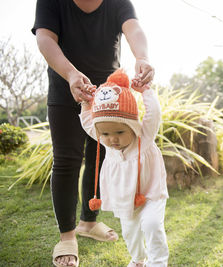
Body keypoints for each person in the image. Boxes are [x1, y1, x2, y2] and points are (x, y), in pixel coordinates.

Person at [31, 0, 154, 266]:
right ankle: (67, 236)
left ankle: (88, 222)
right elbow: (45, 38)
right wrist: (72, 74)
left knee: (99, 157)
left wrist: (142, 58)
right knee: (66, 160)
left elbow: (133, 29)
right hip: (67, 87)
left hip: (109, 96)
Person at [80, 69, 169, 267]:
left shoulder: (143, 139)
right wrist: (87, 105)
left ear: (132, 125)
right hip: (124, 199)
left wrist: (145, 91)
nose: (113, 139)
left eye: (120, 132)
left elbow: (153, 114)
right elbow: (88, 123)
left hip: (151, 195)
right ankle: (138, 260)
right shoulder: (106, 143)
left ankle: (158, 263)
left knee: (152, 224)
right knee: (130, 232)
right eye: (105, 134)